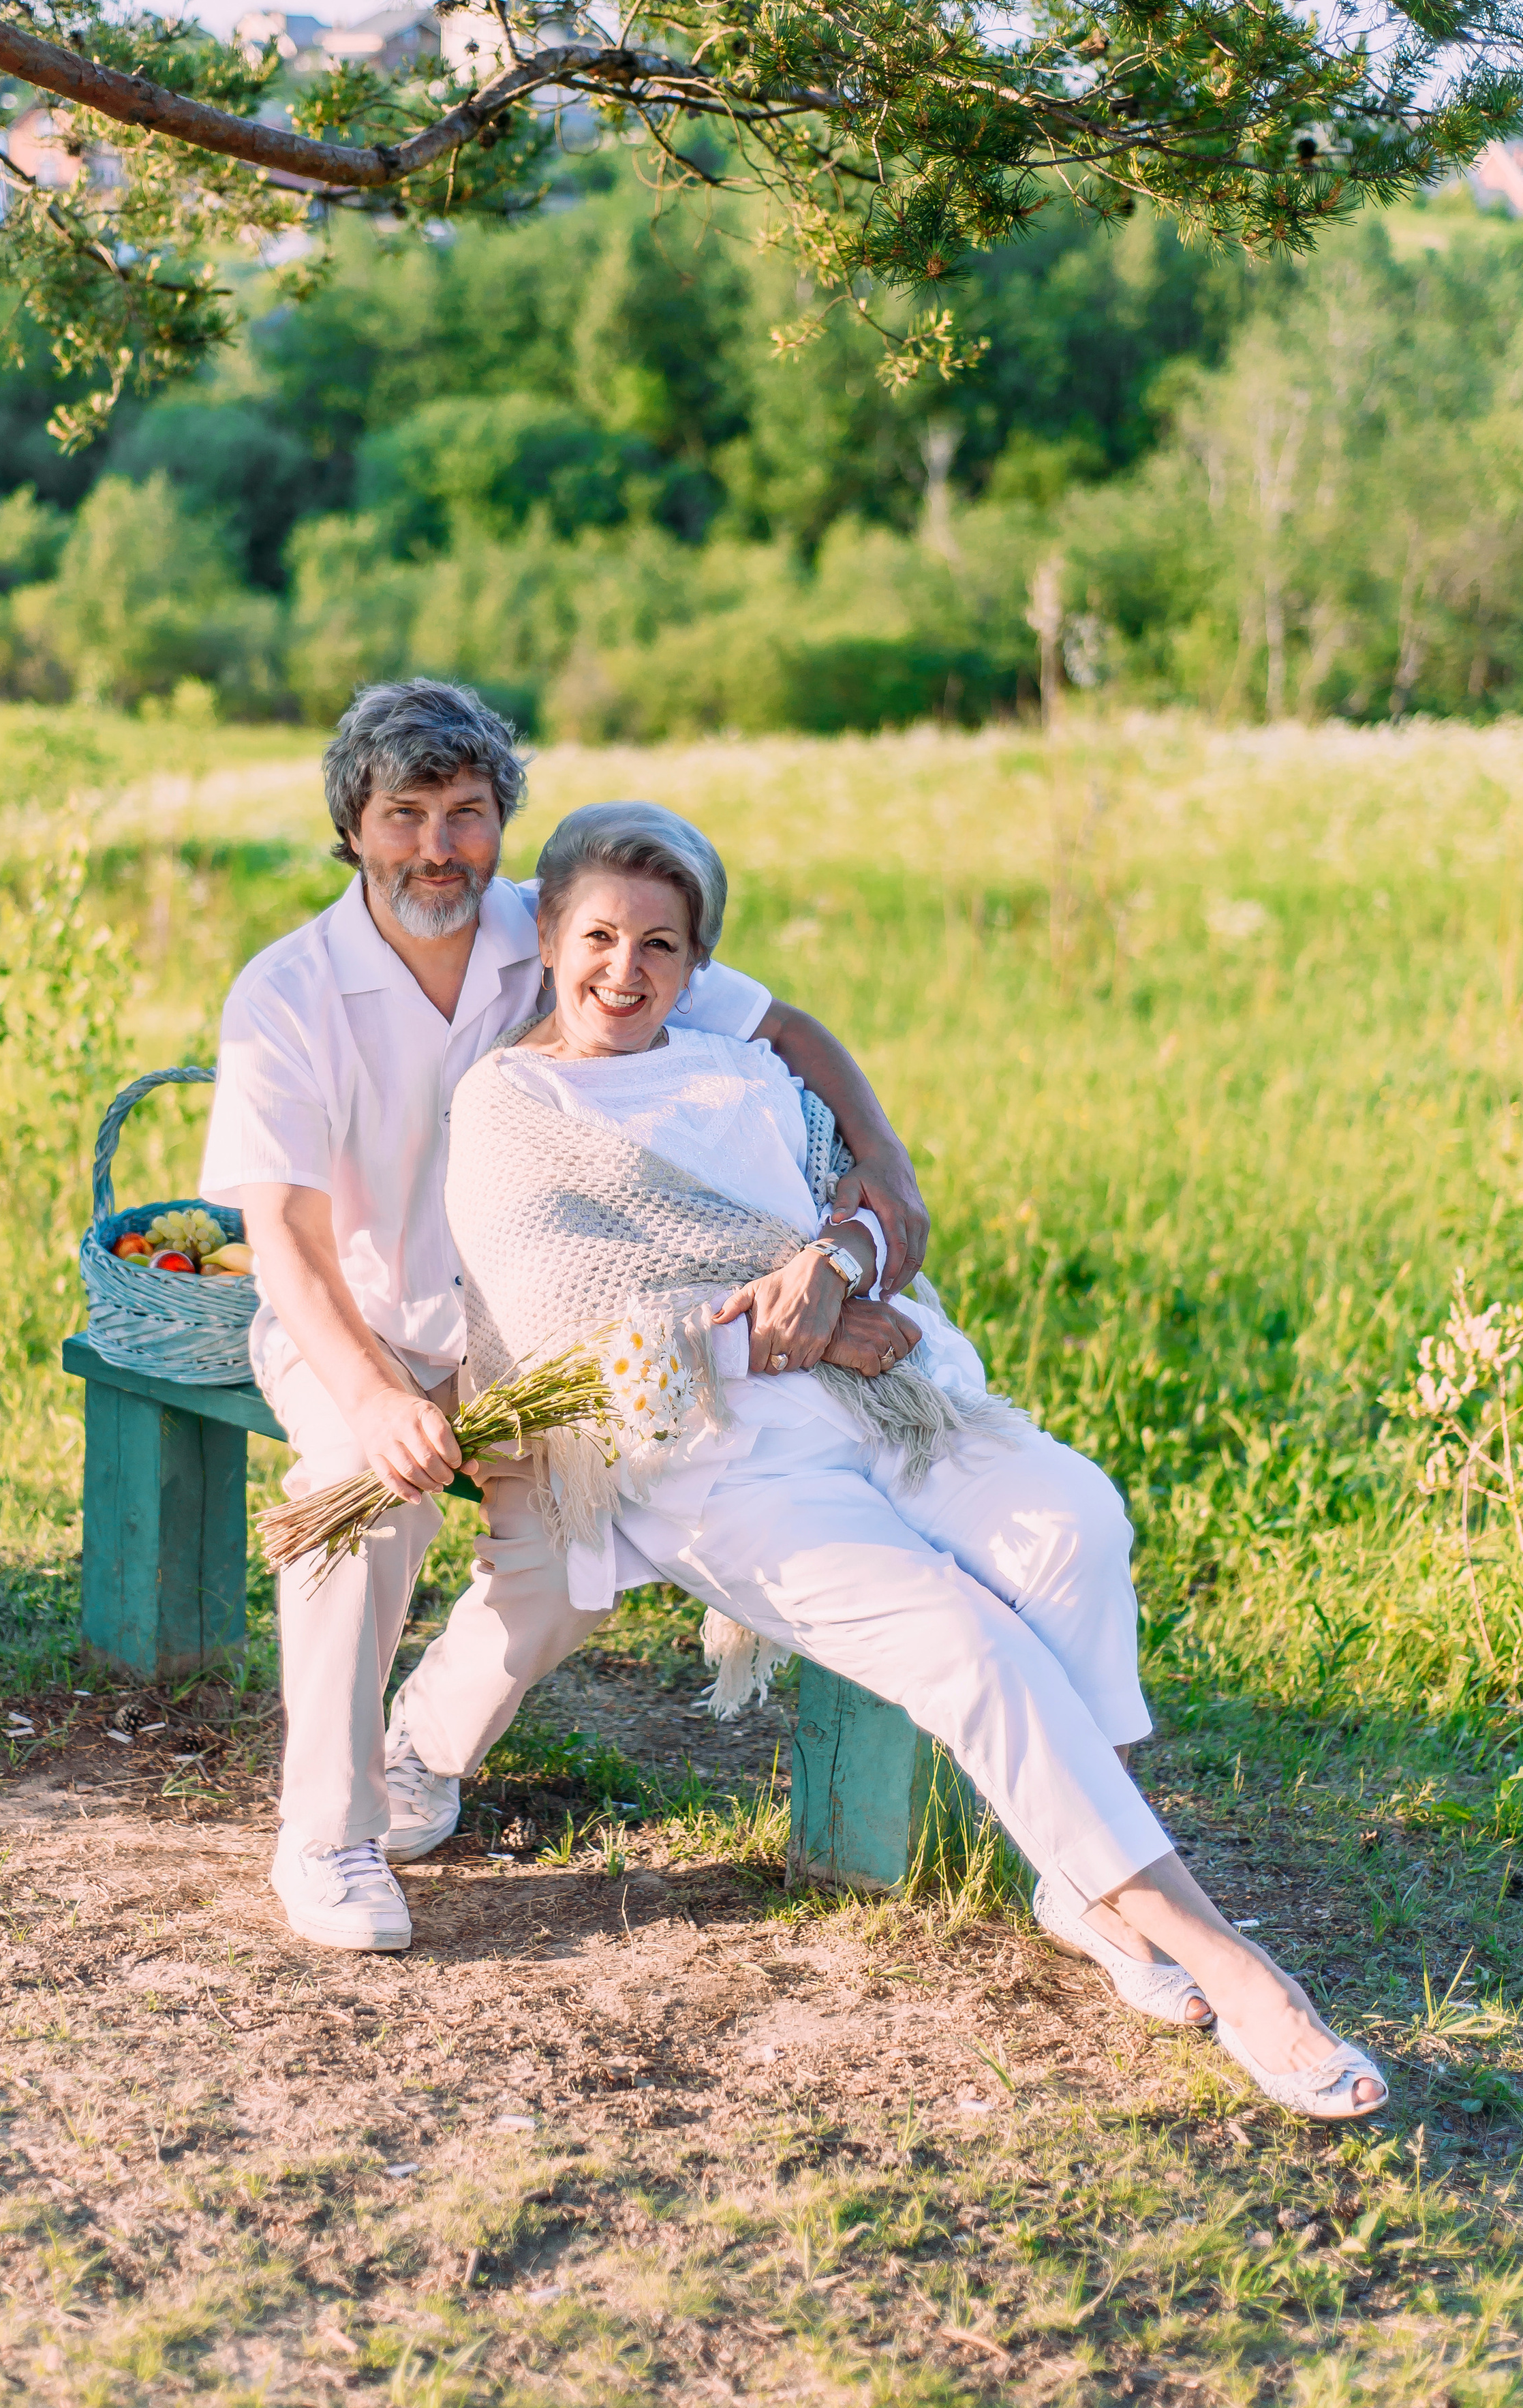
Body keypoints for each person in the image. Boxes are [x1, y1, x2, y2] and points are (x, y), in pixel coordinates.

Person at [410, 799, 1385, 2124]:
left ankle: (1079, 1886)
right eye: (597, 938)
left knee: (1073, 1525)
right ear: (548, 935)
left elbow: (850, 1219)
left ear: (697, 964)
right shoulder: (510, 1106)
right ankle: (1233, 1966)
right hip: (706, 1462)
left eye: (659, 946)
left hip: (878, 1394)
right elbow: (576, 1350)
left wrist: (838, 1269)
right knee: (967, 1645)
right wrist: (779, 1331)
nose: (623, 973)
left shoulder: (734, 1066)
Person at [199, 680, 932, 1954]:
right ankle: (324, 1833)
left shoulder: (568, 928)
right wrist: (375, 1400)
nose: (438, 846)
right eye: (406, 813)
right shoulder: (287, 993)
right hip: (359, 1331)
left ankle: (418, 1748)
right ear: (353, 826)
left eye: (468, 814)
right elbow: (288, 1244)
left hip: (538, 1335)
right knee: (360, 1505)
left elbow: (786, 1025)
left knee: (575, 1561)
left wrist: (883, 1158)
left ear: (501, 824)